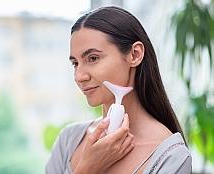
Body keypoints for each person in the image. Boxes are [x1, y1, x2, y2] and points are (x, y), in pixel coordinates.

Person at [45, 6, 192, 174]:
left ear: (135, 55)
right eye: (75, 63)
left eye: (93, 58)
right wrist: (87, 168)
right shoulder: (68, 140)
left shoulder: (172, 157)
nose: (79, 76)